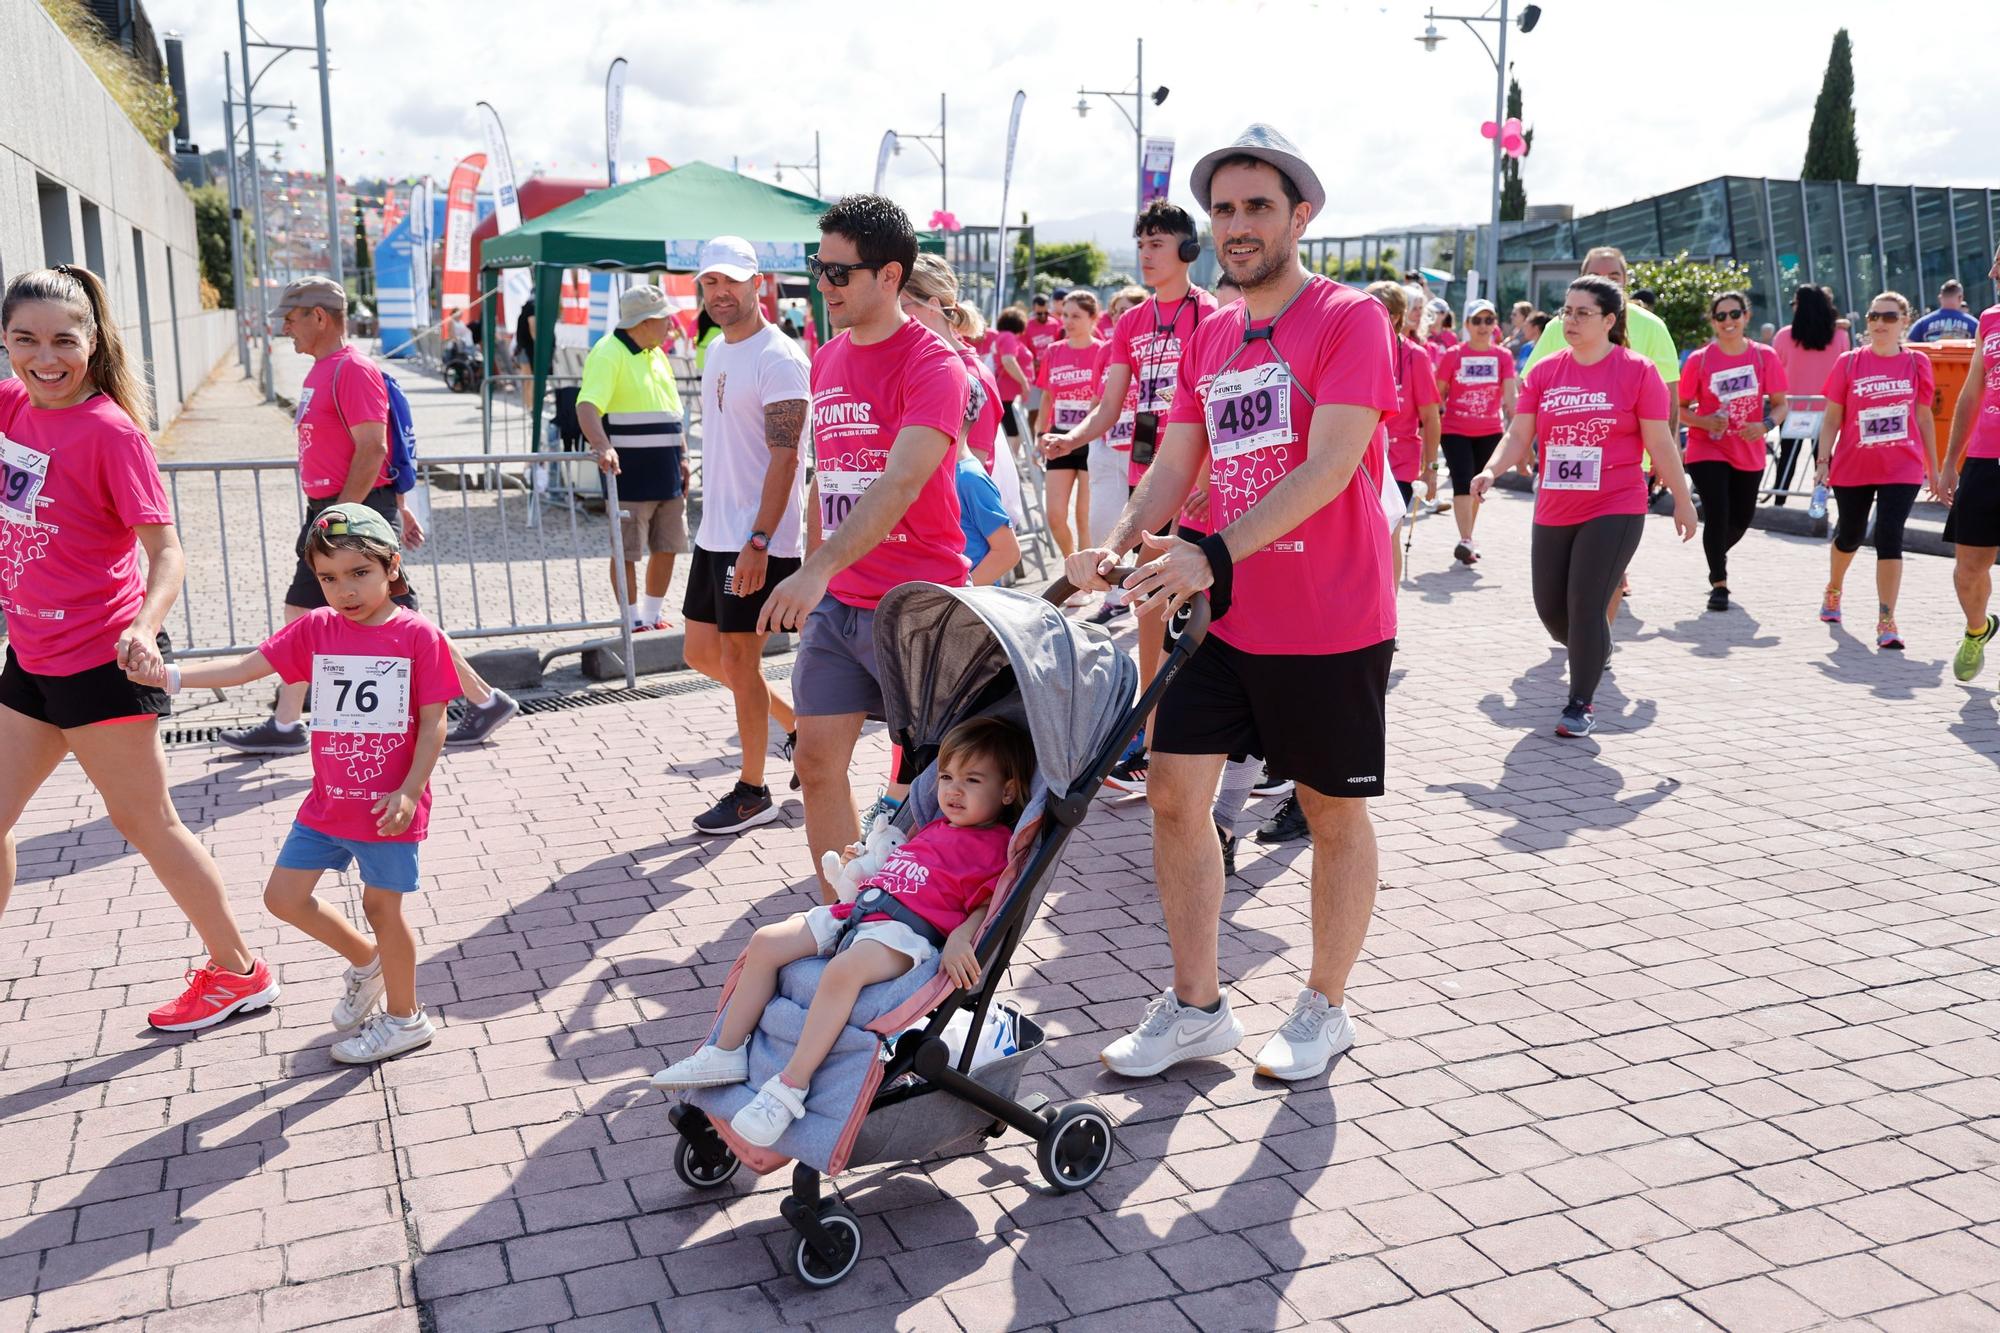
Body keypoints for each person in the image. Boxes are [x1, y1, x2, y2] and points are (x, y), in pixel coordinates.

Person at [1067, 125, 1398, 1083]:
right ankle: (1198, 1006)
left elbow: (1333, 464)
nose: (1238, 225)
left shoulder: (1350, 319)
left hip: (1330, 617)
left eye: (1259, 207)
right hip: (1222, 614)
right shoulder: (1210, 330)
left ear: (1302, 216)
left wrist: (1209, 550)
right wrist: (1125, 540)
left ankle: (1324, 1004)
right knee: (1173, 796)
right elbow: (1179, 460)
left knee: (1331, 812)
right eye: (1224, 209)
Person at [0, 265, 275, 1031]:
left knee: (147, 823)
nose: (44, 357)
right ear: (5, 340)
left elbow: (168, 551)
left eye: (63, 340)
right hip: (30, 658)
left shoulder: (110, 432)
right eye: (25, 338)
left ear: (92, 342)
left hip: (102, 662)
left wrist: (144, 626)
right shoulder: (11, 404)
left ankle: (239, 971)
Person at [130, 504, 454, 1062]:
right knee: (283, 898)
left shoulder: (418, 636)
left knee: (384, 909)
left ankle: (406, 1019)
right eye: (329, 578)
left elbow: (435, 722)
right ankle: (367, 960)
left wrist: (408, 791)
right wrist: (170, 676)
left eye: (359, 574)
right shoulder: (317, 628)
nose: (344, 590)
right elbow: (244, 669)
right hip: (328, 803)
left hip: (386, 808)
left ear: (392, 569)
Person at [652, 717, 1031, 1144]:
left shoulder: (996, 846)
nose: (953, 790)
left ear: (1008, 791)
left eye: (972, 780)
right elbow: (895, 863)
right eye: (946, 777)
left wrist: (963, 937)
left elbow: (988, 904)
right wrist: (865, 858)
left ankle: (789, 1088)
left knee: (841, 972)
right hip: (859, 912)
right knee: (766, 942)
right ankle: (726, 1052)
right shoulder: (933, 827)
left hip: (905, 935)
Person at [755, 194, 970, 902]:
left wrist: (814, 569)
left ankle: (932, 919)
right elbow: (829, 477)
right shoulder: (830, 357)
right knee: (816, 762)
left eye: (840, 272)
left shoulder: (933, 363)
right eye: (820, 268)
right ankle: (842, 910)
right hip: (840, 605)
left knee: (940, 784)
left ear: (889, 276)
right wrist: (811, 562)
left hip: (917, 609)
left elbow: (903, 480)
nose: (825, 285)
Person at [217, 277, 516, 754]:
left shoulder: (352, 369)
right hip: (339, 510)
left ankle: (481, 700)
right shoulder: (324, 370)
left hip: (347, 513)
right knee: (308, 613)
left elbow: (374, 446)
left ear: (320, 317)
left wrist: (346, 519)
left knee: (396, 621)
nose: (285, 329)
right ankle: (288, 720)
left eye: (291, 319)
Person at [1041, 201, 1217, 793]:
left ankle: (1236, 748)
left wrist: (1209, 478)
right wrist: (1073, 436)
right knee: (1147, 608)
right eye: (1140, 243)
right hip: (1152, 480)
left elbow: (1222, 409)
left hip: (1198, 488)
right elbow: (1110, 406)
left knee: (1207, 617)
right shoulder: (1132, 323)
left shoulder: (1212, 314)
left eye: (1158, 243)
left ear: (1187, 251)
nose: (1145, 253)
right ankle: (1151, 731)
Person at [1472, 276, 1697, 737]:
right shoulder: (1547, 371)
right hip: (1555, 504)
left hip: (1616, 503)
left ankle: (1580, 703)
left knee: (1586, 601)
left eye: (1582, 313)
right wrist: (1491, 470)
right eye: (1566, 312)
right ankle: (1593, 648)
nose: (1570, 321)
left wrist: (1681, 497)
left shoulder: (1638, 372)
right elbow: (1518, 434)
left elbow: (1660, 441)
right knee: (1551, 609)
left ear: (1609, 321)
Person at [681, 238, 807, 836]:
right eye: (709, 283)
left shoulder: (780, 357)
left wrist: (759, 541)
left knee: (738, 657)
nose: (720, 293)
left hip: (757, 537)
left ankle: (753, 790)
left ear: (759, 282)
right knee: (700, 654)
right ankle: (797, 729)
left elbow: (786, 459)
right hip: (716, 530)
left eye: (730, 281)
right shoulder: (715, 348)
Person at [1813, 291, 1941, 648]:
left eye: (1889, 317)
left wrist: (1935, 466)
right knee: (1851, 534)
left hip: (1902, 465)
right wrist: (1823, 462)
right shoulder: (1849, 363)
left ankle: (1887, 619)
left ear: (1904, 322)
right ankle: (1834, 588)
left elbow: (1924, 417)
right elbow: (1832, 418)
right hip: (1854, 465)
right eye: (1874, 316)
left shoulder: (1917, 363)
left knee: (1889, 534)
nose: (1880, 323)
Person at [581, 284, 690, 633]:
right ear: (644, 322)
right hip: (629, 474)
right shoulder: (608, 352)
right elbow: (587, 406)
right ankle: (631, 621)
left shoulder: (656, 353)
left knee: (668, 546)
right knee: (627, 550)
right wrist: (602, 446)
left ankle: (652, 614)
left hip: (668, 474)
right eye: (665, 319)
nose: (671, 326)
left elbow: (674, 411)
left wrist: (684, 456)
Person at [1679, 291, 1789, 611]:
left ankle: (1714, 551)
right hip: (1707, 448)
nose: (1729, 321)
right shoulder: (1700, 360)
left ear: (1746, 317)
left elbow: (1782, 405)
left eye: (1735, 314)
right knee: (1718, 511)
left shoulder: (1764, 356)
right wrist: (1704, 420)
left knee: (1741, 518)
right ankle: (1719, 583)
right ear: (1713, 322)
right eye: (1721, 316)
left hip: (1749, 448)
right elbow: (1679, 409)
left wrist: (1766, 425)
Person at [1524, 248, 1681, 434]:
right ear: (1581, 280)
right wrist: (1522, 444)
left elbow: (1669, 400)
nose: (1605, 283)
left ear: (1626, 281)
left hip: (1636, 459)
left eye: (1613, 277)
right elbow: (1530, 391)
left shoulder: (1652, 326)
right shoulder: (1557, 326)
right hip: (1563, 452)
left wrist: (1666, 456)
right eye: (1595, 276)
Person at [1941, 247, 2000, 681]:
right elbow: (1969, 396)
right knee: (1968, 571)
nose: (1993, 271)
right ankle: (1978, 629)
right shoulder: (1989, 320)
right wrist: (1948, 463)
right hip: (1984, 459)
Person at [1366, 280, 1441, 584]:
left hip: (1399, 462)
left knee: (1389, 532)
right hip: (1359, 461)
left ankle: (1388, 616)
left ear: (1394, 317)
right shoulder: (1354, 351)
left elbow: (1431, 418)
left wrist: (1431, 469)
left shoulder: (1415, 357)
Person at [1433, 299, 1518, 566]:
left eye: (1489, 320)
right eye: (1477, 320)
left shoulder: (1502, 356)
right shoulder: (1453, 355)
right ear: (1467, 324)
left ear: (1495, 325)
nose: (1483, 326)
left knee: (1477, 485)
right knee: (1461, 480)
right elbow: (1437, 394)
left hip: (1490, 431)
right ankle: (1466, 538)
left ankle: (1467, 538)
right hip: (1455, 430)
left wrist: (1519, 425)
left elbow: (1510, 395)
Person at [1032, 291, 1103, 556]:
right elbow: (1047, 396)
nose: (1068, 321)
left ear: (1093, 318)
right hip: (1059, 437)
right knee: (1055, 515)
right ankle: (1070, 568)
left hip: (1091, 439)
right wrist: (1041, 433)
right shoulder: (1054, 351)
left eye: (1076, 316)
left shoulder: (1102, 351)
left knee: (1084, 516)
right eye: (1065, 315)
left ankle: (1085, 584)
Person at [1769, 284, 1850, 502]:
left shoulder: (1784, 336)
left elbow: (1775, 371)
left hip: (1792, 408)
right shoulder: (1840, 336)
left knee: (1787, 458)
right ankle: (1822, 501)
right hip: (1827, 409)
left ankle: (1779, 501)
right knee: (1823, 459)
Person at [991, 306, 1034, 451]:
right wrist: (1024, 382)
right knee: (1013, 434)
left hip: (1009, 394)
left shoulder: (1004, 336)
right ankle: (1012, 470)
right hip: (1009, 395)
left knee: (1013, 433)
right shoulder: (1008, 337)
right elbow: (1008, 360)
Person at [1910, 279, 1981, 343]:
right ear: (1960, 298)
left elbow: (1909, 346)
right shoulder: (1974, 324)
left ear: (1940, 298)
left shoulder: (1922, 323)